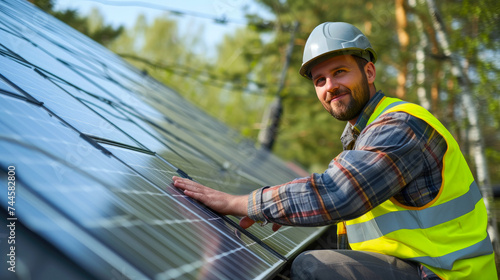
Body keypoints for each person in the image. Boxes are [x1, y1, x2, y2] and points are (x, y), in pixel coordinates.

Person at [172, 22, 497, 279]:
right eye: (319, 80)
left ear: (368, 72)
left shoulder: (398, 126)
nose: (330, 86)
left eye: (339, 72)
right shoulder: (361, 135)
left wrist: (240, 203)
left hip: (445, 274)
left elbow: (341, 193)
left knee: (311, 268)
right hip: (424, 266)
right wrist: (292, 211)